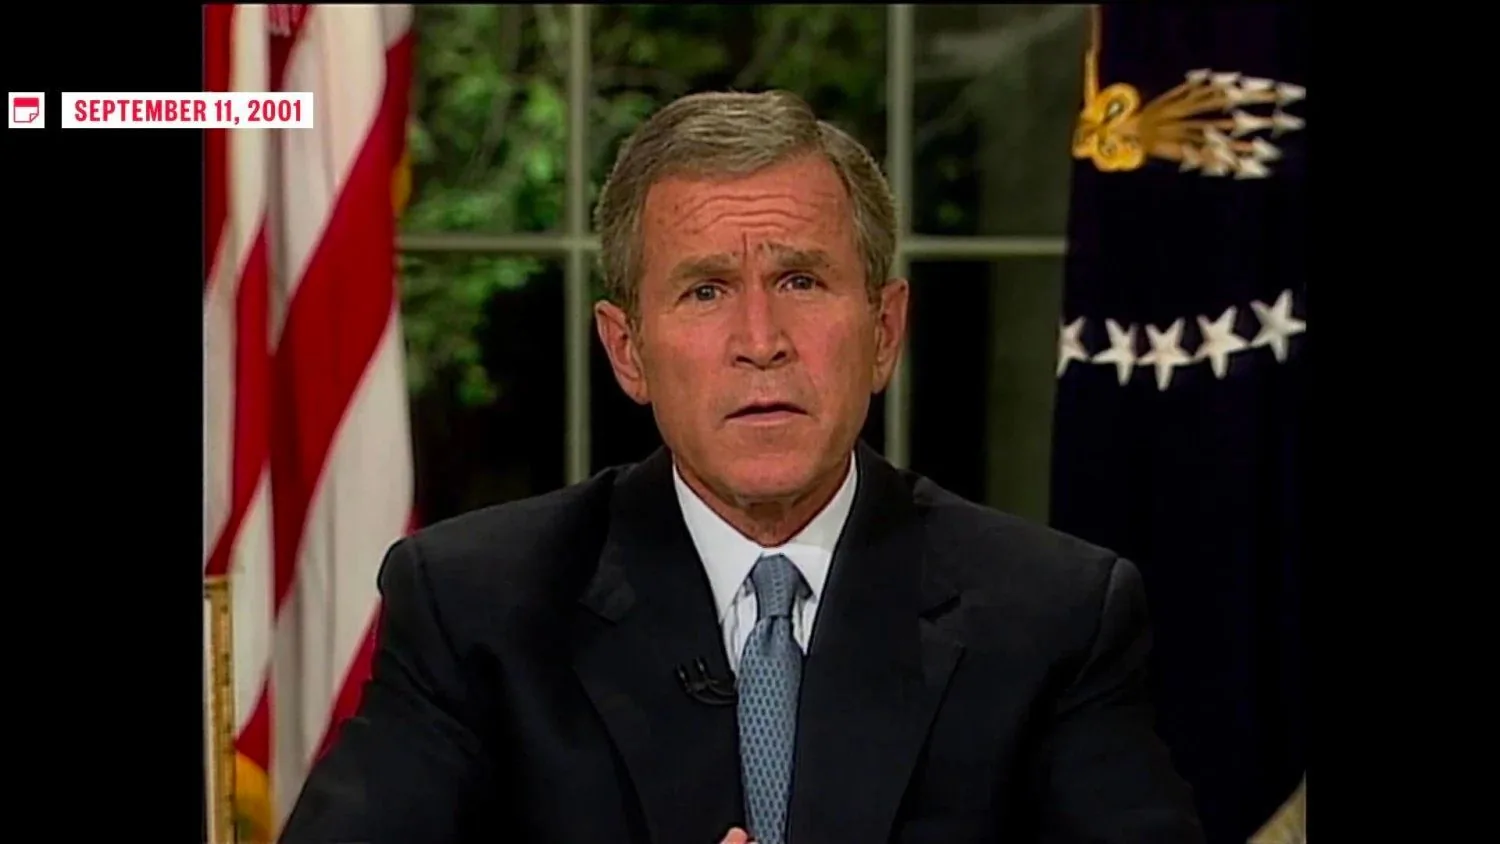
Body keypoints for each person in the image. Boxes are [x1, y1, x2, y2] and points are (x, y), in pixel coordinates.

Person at [279, 89, 1204, 844]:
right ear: (628, 350)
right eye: (706, 290)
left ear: (884, 332)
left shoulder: (1056, 618)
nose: (761, 342)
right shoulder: (475, 607)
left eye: (802, 281)